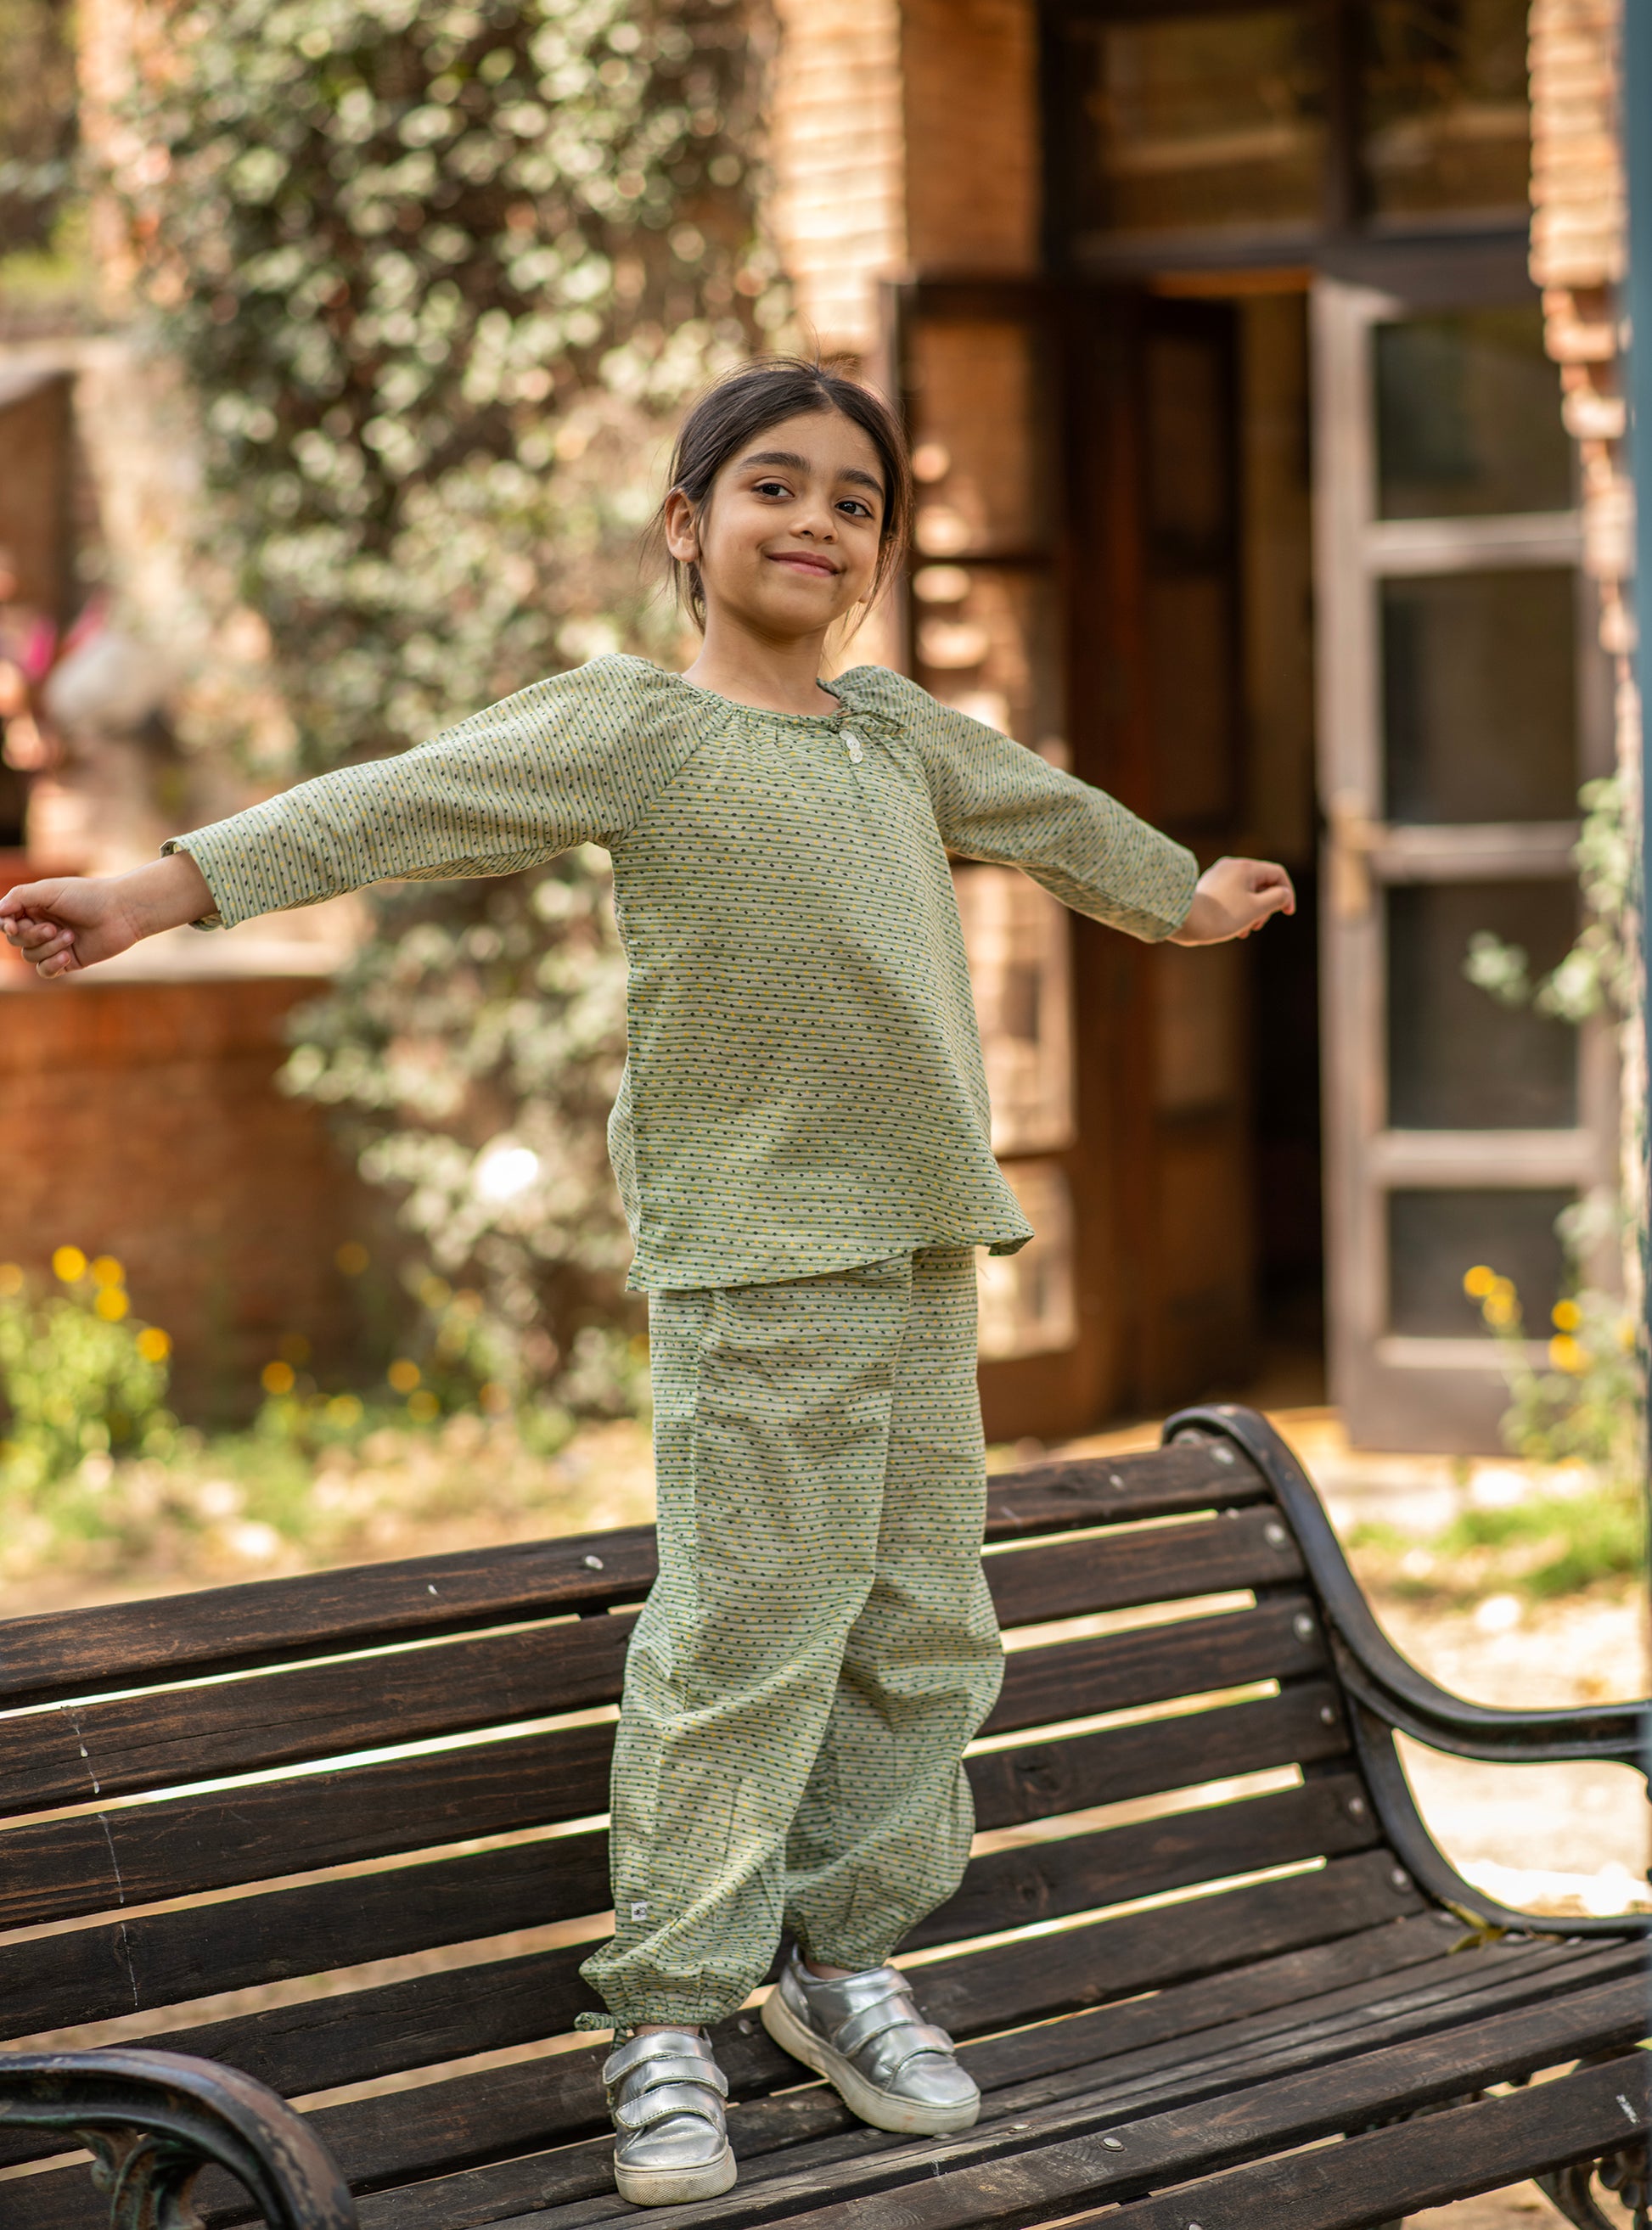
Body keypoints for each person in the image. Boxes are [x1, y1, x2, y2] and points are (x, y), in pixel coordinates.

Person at [0, 357, 1295, 2208]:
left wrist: (1180, 897)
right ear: (687, 524)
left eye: (854, 500)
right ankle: (669, 2010)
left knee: (925, 1626)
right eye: (774, 485)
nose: (817, 521)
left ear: (876, 553)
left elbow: (1044, 809)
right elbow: (397, 804)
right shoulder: (634, 727)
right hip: (756, 1248)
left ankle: (843, 1964)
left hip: (921, 1239)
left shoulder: (893, 733)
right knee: (749, 1633)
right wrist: (156, 890)